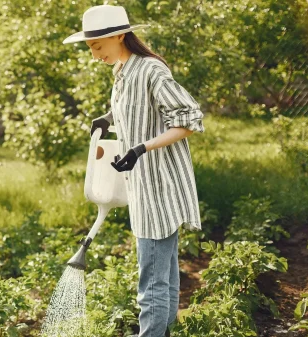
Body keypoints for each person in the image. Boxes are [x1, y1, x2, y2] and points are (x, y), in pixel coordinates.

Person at [63, 5, 206, 337]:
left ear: (118, 35)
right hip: (142, 187)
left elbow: (189, 120)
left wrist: (141, 148)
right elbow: (138, 109)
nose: (94, 54)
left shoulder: (151, 70)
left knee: (152, 282)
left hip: (159, 188)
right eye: (90, 48)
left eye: (97, 46)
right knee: (164, 276)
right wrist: (108, 118)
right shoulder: (123, 71)